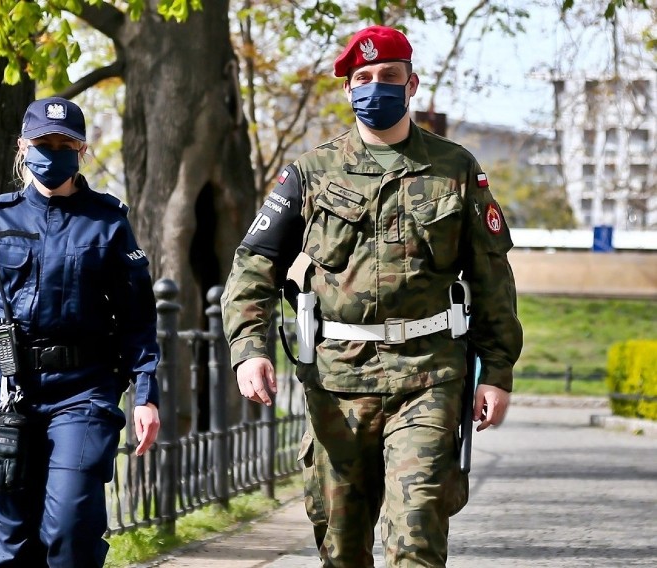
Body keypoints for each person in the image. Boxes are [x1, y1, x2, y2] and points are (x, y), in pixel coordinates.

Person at [221, 25, 523, 568]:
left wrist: (496, 371)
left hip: (429, 373)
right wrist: (251, 348)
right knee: (340, 547)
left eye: (388, 77)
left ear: (412, 86)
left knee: (417, 535)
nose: (375, 87)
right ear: (347, 89)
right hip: (337, 381)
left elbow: (492, 276)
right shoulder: (309, 174)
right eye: (363, 78)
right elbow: (255, 262)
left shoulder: (455, 169)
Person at [0, 96, 161, 568]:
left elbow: (138, 318)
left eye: (63, 143)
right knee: (13, 548)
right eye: (43, 143)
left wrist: (146, 395)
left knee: (70, 529)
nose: (52, 153)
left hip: (84, 394)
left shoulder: (109, 221)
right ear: (22, 147)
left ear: (81, 151)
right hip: (8, 396)